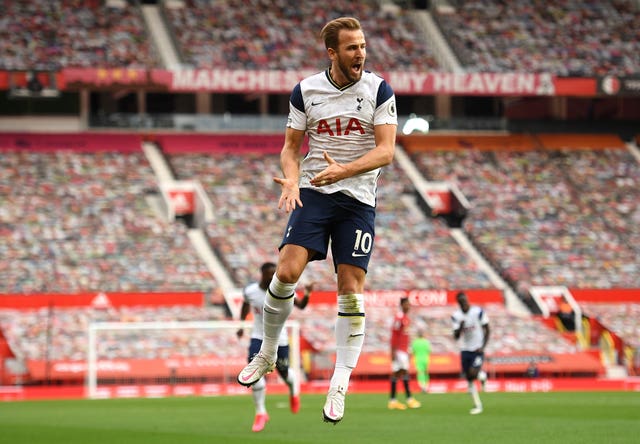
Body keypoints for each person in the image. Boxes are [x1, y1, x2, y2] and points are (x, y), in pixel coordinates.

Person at [236, 16, 397, 426]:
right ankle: (268, 352)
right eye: (351, 47)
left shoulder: (378, 89)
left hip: (357, 199)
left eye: (362, 46)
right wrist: (292, 179)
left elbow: (386, 151)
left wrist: (342, 171)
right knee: (286, 271)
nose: (360, 53)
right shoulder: (306, 90)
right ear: (332, 52)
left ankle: (340, 381)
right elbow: (291, 148)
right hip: (314, 192)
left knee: (350, 289)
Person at [236, 262, 312, 432]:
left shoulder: (281, 291)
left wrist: (307, 294)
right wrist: (241, 325)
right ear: (261, 274)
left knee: (284, 374)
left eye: (274, 273)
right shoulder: (250, 291)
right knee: (253, 373)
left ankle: (293, 391)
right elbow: (245, 305)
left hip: (281, 340)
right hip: (258, 337)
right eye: (269, 273)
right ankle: (261, 412)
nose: (272, 276)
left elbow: (301, 305)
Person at [451, 291, 490, 415]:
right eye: (461, 301)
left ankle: (478, 406)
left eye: (465, 300)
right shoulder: (456, 316)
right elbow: (456, 336)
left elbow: (487, 328)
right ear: (459, 303)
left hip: (477, 349)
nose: (464, 303)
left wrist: (483, 346)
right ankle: (482, 377)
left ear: (467, 300)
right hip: (465, 349)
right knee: (468, 377)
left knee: (472, 374)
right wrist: (461, 327)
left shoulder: (478, 312)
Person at [389, 297, 421, 410]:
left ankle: (393, 401)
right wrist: (393, 351)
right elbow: (394, 334)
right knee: (404, 372)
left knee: (397, 373)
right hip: (399, 350)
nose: (409, 306)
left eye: (409, 304)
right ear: (402, 305)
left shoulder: (406, 318)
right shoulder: (399, 318)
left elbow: (404, 335)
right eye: (406, 304)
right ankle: (409, 399)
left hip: (403, 350)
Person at [411, 327, 432, 393]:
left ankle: (422, 386)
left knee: (420, 373)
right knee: (426, 372)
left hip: (418, 359)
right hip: (426, 359)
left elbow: (412, 351)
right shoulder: (426, 342)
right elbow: (429, 351)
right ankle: (426, 386)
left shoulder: (415, 342)